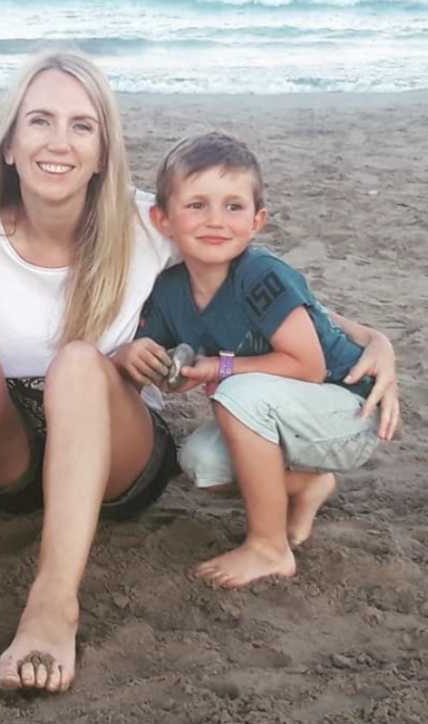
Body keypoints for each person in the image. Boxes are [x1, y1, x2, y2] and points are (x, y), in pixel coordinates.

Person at [0, 53, 399, 693]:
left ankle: (54, 606)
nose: (59, 142)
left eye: (82, 126)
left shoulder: (147, 224)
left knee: (79, 360)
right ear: (12, 145)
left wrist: (371, 337)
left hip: (116, 444)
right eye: (40, 121)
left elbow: (263, 284)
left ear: (104, 150)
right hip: (10, 453)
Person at [123, 131, 400, 589]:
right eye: (196, 205)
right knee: (200, 463)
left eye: (233, 206)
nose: (216, 220)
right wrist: (148, 360)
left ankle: (269, 547)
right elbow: (162, 364)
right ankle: (309, 485)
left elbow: (308, 364)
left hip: (347, 407)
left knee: (237, 390)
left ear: (257, 221)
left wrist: (219, 368)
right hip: (280, 417)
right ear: (163, 219)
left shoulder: (261, 275)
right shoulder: (170, 290)